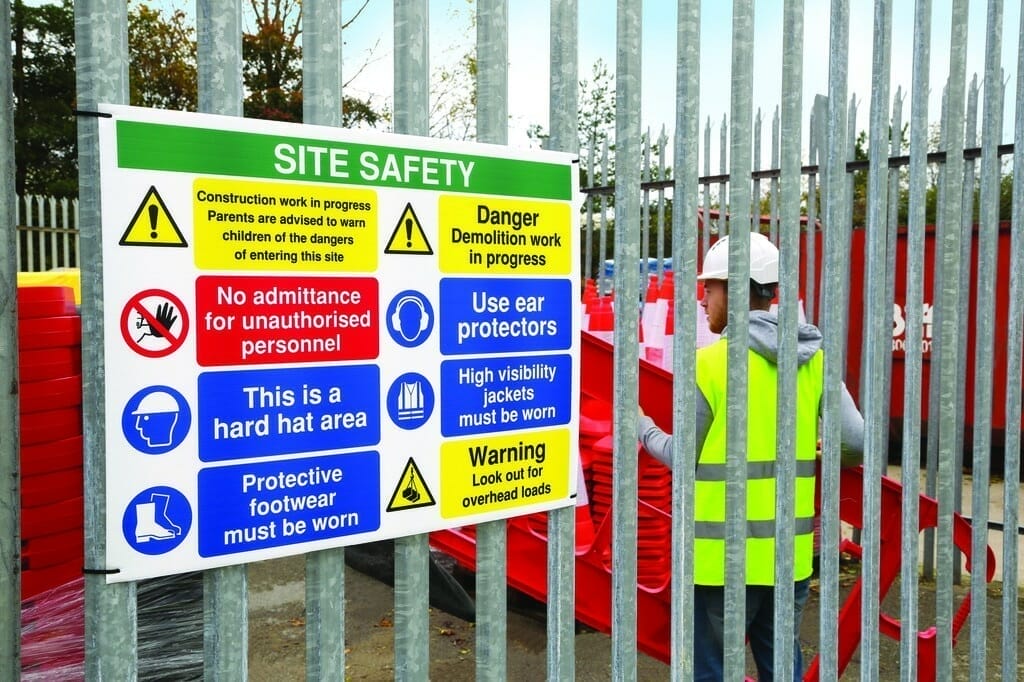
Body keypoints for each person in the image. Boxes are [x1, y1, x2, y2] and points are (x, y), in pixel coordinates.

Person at [636, 231, 864, 681]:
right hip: (789, 560)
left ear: (737, 288)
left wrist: (640, 427)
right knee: (783, 668)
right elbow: (855, 441)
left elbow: (681, 457)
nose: (703, 300)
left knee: (711, 671)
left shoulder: (708, 365)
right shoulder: (814, 360)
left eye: (711, 287)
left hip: (721, 564)